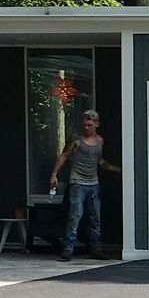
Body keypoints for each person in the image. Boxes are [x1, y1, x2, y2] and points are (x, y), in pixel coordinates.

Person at [47, 109, 122, 261]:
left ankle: (96, 249)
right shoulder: (76, 140)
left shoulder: (100, 141)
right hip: (78, 183)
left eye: (89, 124)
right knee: (75, 216)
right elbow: (64, 155)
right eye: (84, 124)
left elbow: (99, 161)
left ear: (96, 124)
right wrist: (54, 174)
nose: (86, 127)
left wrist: (118, 169)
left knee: (95, 217)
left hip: (93, 183)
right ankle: (68, 249)